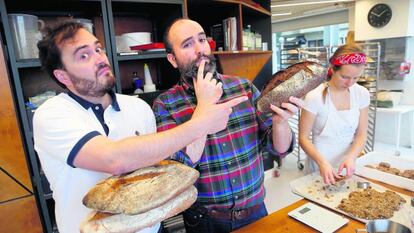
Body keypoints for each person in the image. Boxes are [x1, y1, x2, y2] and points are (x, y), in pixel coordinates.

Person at [33, 20, 247, 233]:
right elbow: (114, 159)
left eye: (98, 49)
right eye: (84, 55)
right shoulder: (51, 114)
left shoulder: (138, 108)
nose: (100, 58)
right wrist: (202, 122)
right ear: (62, 75)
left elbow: (160, 173)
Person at [152, 18, 303, 233]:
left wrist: (280, 121)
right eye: (187, 44)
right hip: (205, 222)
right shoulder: (165, 105)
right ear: (172, 59)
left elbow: (279, 148)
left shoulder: (244, 88)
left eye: (202, 40)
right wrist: (203, 110)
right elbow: (177, 173)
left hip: (256, 212)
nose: (199, 49)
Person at [299, 43, 369, 185]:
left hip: (348, 166)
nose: (350, 83)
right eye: (345, 77)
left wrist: (351, 157)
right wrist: (322, 163)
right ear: (332, 69)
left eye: (356, 78)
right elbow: (303, 138)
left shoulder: (361, 93)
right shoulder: (315, 97)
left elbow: (362, 134)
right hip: (319, 166)